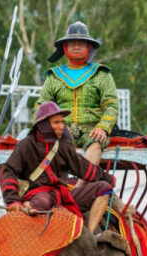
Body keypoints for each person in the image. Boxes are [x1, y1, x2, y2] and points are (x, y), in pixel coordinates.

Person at [1, 101, 124, 233]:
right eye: (56, 123)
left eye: (62, 122)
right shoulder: (26, 145)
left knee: (104, 188)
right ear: (43, 124)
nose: (61, 126)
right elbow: (9, 171)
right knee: (43, 202)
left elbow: (84, 167)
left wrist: (108, 179)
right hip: (38, 196)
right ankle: (28, 207)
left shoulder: (63, 146)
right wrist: (13, 201)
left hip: (62, 196)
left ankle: (89, 235)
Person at [35, 21, 118, 182]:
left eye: (81, 43)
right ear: (64, 48)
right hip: (62, 131)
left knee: (96, 142)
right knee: (48, 146)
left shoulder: (102, 74)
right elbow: (41, 106)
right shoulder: (54, 76)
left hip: (92, 130)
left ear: (89, 47)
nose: (76, 47)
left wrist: (103, 127)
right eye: (72, 43)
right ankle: (55, 187)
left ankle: (78, 189)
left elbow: (111, 105)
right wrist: (46, 128)